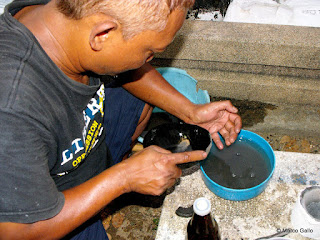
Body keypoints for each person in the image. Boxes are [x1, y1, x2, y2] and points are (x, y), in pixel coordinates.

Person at [0, 0, 242, 239]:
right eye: (149, 53)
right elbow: (17, 232)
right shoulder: (12, 110)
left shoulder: (65, 17)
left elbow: (128, 68)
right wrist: (124, 179)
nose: (148, 62)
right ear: (103, 34)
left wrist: (190, 111)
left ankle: (107, 176)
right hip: (46, 209)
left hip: (78, 146)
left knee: (133, 98)